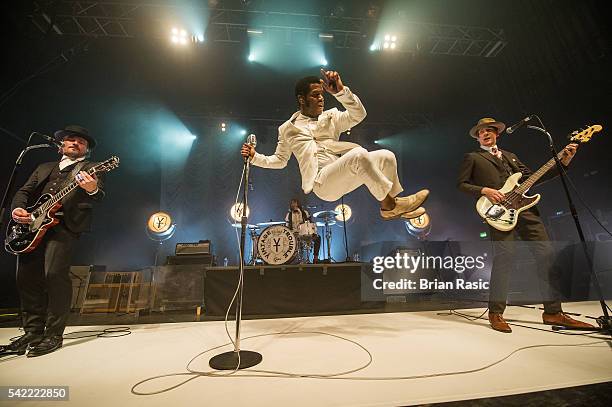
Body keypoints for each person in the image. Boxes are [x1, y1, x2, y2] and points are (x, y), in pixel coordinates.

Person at [457, 117, 594, 333]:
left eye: (489, 130)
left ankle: (553, 312)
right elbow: (462, 184)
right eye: (481, 131)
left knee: (546, 254)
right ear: (477, 137)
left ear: (496, 134)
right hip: (499, 213)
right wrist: (485, 190)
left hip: (526, 212)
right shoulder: (473, 157)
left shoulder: (511, 157)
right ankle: (496, 312)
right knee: (505, 258)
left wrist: (563, 161)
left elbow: (534, 178)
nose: (485, 133)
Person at [241, 70, 428, 220]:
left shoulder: (331, 117)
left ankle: (395, 206)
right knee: (359, 155)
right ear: (301, 99)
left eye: (322, 95)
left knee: (387, 156)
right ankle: (389, 205)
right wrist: (255, 157)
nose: (321, 98)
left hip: (342, 174)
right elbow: (280, 160)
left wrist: (340, 91)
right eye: (315, 95)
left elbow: (359, 115)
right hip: (322, 184)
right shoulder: (287, 129)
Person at [2, 125, 105, 357]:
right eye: (71, 140)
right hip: (31, 228)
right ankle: (32, 332)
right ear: (61, 146)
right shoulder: (44, 168)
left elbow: (99, 195)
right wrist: (18, 209)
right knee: (26, 278)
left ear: (86, 149)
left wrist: (92, 188)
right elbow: (23, 192)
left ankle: (53, 334)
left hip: (63, 227)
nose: (75, 143)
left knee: (54, 275)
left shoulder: (90, 168)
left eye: (81, 141)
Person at [284, 198, 321, 263]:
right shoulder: (288, 215)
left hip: (304, 233)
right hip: (294, 234)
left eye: (295, 203)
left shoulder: (305, 213)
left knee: (318, 238)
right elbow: (287, 227)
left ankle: (315, 258)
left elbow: (310, 223)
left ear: (298, 204)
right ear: (291, 205)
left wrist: (300, 212)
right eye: (293, 203)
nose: (294, 204)